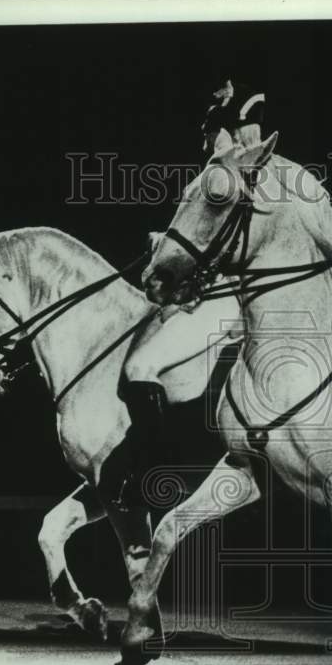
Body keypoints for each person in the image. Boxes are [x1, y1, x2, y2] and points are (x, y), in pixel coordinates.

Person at [100, 79, 266, 510]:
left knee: (141, 365)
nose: (209, 141)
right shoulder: (220, 177)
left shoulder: (234, 177)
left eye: (213, 132)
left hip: (230, 297)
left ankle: (151, 469)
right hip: (216, 294)